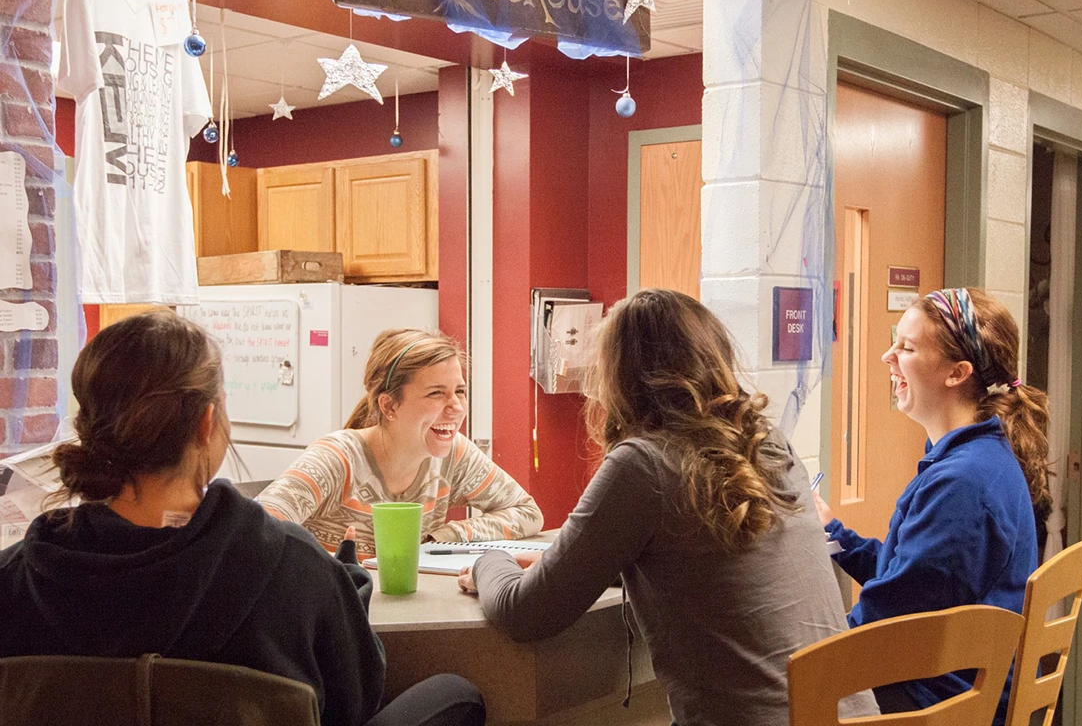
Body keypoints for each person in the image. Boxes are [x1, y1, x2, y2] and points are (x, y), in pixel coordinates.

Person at [0, 311, 485, 726]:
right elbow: (355, 700)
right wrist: (343, 585)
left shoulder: (14, 578)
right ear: (206, 423)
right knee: (455, 694)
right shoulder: (295, 567)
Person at [459, 289, 879, 726]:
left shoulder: (643, 463)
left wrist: (492, 561)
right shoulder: (769, 442)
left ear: (617, 375)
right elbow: (709, 569)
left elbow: (526, 613)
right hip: (853, 716)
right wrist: (571, 564)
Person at [814, 287, 1050, 723]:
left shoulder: (963, 483)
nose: (888, 357)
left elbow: (888, 621)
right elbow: (911, 580)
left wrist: (803, 658)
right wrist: (834, 533)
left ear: (956, 373)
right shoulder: (976, 457)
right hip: (956, 682)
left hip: (947, 699)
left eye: (905, 347)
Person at [258, 329, 542, 557]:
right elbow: (255, 531)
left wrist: (444, 537)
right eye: (435, 394)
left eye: (460, 391)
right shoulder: (337, 458)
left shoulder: (454, 453)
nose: (455, 406)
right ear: (389, 406)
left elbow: (527, 513)